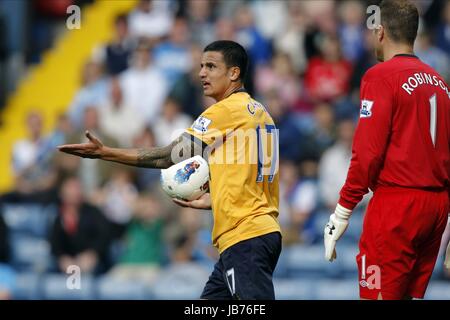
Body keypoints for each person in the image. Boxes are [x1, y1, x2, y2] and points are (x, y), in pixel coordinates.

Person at [58, 40, 282, 300]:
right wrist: (217, 199)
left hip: (245, 237)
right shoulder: (263, 115)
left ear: (234, 73)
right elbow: (260, 180)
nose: (201, 73)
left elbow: (169, 157)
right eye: (201, 66)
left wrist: (105, 153)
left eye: (211, 66)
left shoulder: (224, 111)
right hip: (257, 232)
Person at [323, 0, 450, 300]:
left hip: (397, 207)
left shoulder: (380, 76)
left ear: (380, 32)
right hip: (435, 209)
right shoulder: (441, 84)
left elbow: (367, 153)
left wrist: (342, 211)